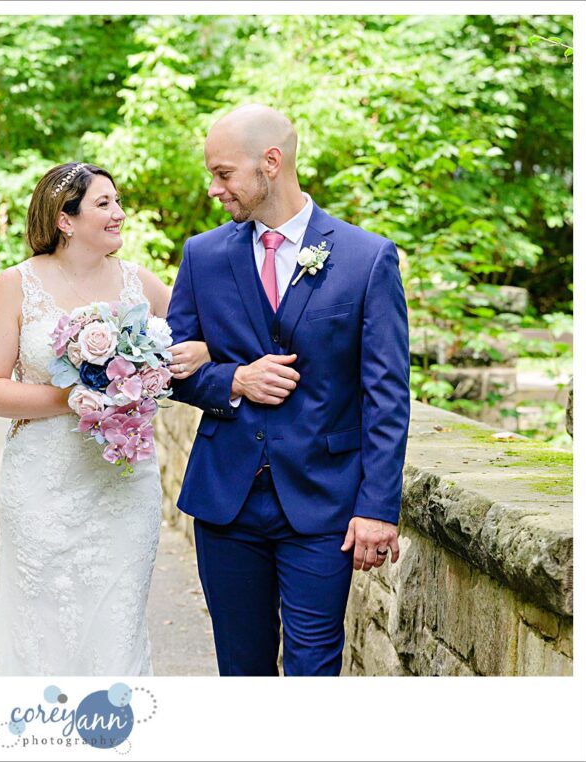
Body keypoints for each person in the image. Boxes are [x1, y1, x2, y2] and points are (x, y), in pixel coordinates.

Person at [167, 104, 411, 676]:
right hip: (226, 501)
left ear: (270, 163)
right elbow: (168, 367)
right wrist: (234, 378)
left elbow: (386, 395)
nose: (214, 188)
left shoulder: (366, 257)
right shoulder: (202, 256)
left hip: (323, 505)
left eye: (223, 173)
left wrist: (377, 508)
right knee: (241, 668)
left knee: (313, 670)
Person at [0, 162, 209, 675]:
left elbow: (201, 337)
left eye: (118, 201)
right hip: (42, 484)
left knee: (116, 620)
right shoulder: (16, 285)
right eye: (104, 204)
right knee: (39, 620)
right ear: (65, 219)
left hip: (121, 483)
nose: (119, 214)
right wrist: (73, 397)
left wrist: (197, 355)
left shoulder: (138, 283)